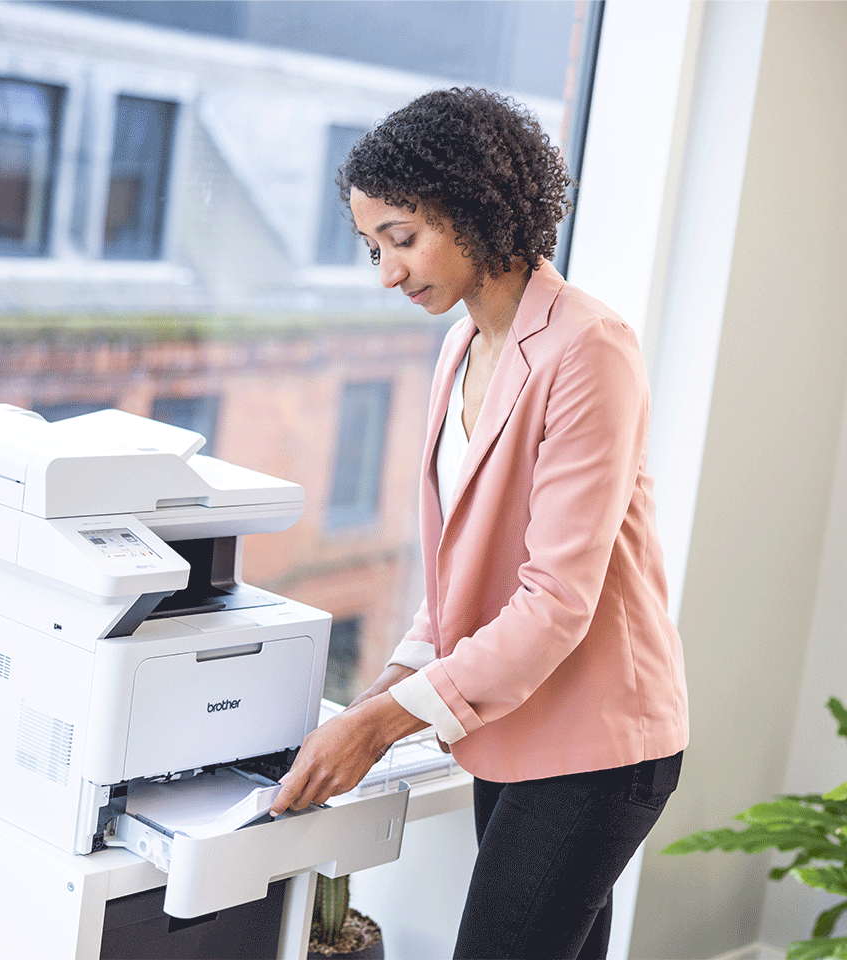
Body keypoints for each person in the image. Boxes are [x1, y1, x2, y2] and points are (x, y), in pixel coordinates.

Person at [269, 87, 689, 960]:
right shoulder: (460, 347)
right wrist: (384, 685)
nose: (387, 273)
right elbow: (459, 571)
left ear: (473, 205)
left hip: (598, 741)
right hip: (515, 728)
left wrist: (383, 725)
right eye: (372, 247)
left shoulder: (588, 349)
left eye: (403, 239)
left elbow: (555, 600)